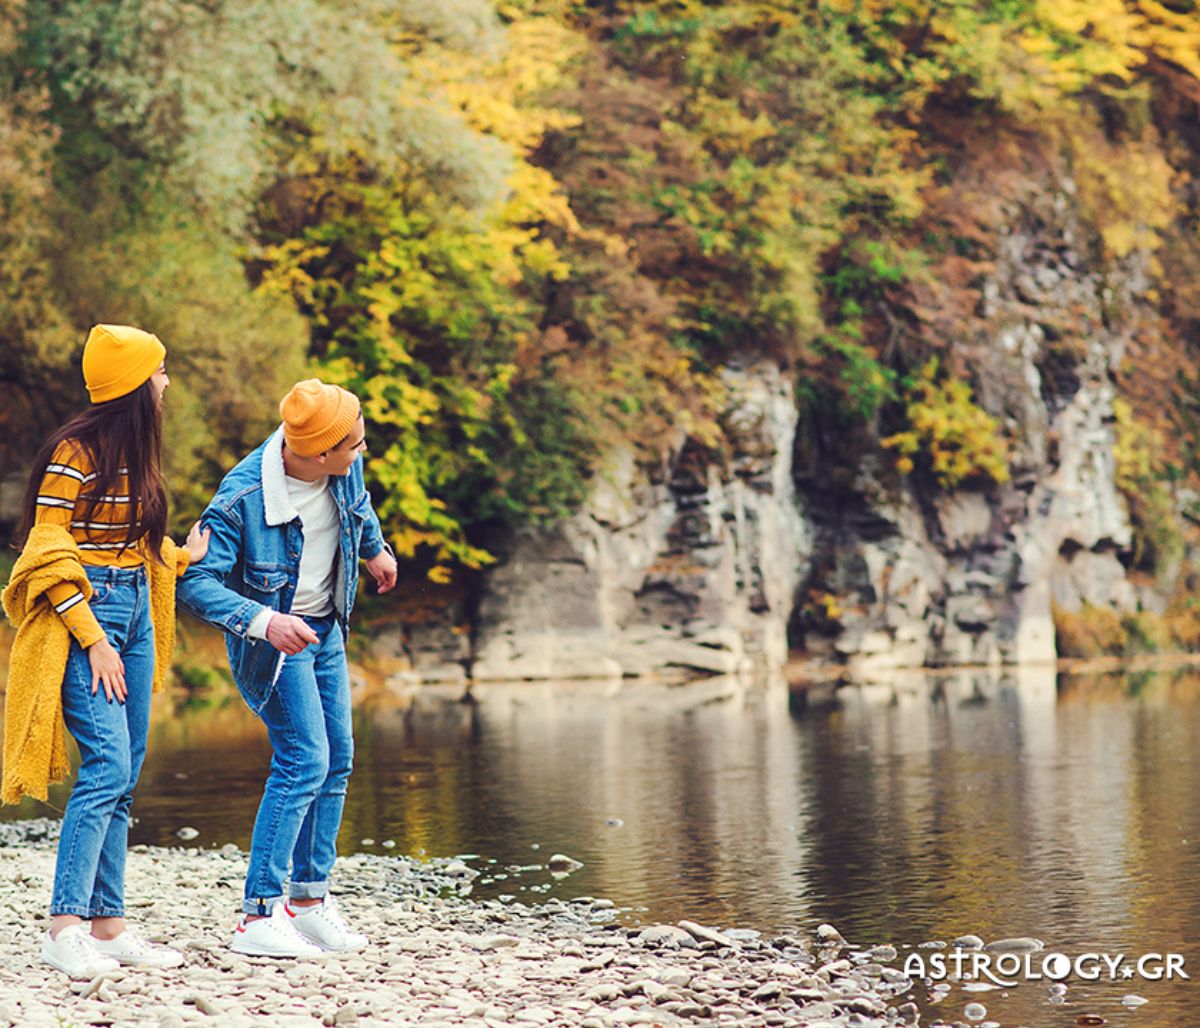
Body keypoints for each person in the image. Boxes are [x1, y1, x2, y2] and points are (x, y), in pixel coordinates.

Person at [2, 324, 210, 978]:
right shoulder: (73, 452)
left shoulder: (136, 455)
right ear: (132, 385)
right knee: (106, 767)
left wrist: (179, 556)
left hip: (137, 611)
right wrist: (92, 640)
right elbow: (46, 554)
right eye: (160, 372)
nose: (167, 382)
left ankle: (109, 925)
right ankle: (64, 928)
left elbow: (135, 545)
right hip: (86, 618)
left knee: (127, 772)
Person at [177, 379, 397, 957]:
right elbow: (195, 584)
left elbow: (359, 507)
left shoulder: (339, 464)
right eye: (355, 447)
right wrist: (263, 621)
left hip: (326, 629)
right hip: (274, 643)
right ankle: (256, 917)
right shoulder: (243, 497)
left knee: (339, 758)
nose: (362, 454)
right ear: (318, 453)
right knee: (305, 760)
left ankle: (308, 901)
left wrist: (373, 549)